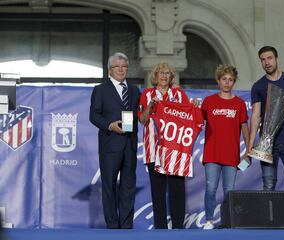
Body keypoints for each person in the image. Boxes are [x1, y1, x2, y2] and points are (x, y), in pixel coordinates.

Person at [138, 62, 192, 229]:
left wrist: (194, 107)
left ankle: (178, 227)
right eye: (161, 73)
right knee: (158, 191)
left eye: (167, 73)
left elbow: (188, 117)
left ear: (171, 77)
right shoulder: (147, 94)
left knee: (177, 190)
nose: (163, 76)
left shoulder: (179, 94)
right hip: (153, 150)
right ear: (155, 76)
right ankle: (160, 228)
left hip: (176, 149)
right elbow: (142, 120)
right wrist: (151, 105)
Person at [89, 52, 140, 229]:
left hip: (130, 144)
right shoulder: (100, 90)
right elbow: (93, 115)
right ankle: (112, 225)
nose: (121, 69)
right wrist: (110, 125)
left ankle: (126, 226)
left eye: (124, 66)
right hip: (110, 144)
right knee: (109, 186)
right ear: (110, 70)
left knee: (128, 186)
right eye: (117, 66)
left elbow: (140, 115)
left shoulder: (134, 90)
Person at [249, 46, 284, 191]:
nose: (267, 62)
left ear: (276, 59)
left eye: (269, 58)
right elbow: (255, 115)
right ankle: (269, 215)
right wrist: (250, 145)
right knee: (268, 186)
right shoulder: (258, 86)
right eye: (263, 60)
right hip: (267, 143)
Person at [201, 64, 250, 230]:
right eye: (224, 79)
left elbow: (245, 128)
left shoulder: (239, 104)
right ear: (218, 80)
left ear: (234, 82)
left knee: (229, 190)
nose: (227, 83)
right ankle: (209, 220)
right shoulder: (208, 102)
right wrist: (193, 108)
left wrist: (248, 152)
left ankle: (228, 220)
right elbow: (195, 122)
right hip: (212, 153)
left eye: (230, 80)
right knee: (210, 188)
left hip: (231, 154)